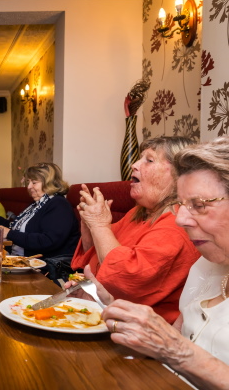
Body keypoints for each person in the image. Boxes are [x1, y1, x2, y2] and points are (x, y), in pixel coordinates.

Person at [71, 137, 229, 390]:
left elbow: (125, 276)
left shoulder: (187, 240)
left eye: (198, 205)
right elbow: (179, 336)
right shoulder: (204, 267)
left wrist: (174, 350)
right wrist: (108, 301)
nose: (181, 219)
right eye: (183, 204)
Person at [71, 136, 200, 324]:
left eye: (149, 160)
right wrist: (89, 227)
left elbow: (125, 279)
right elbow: (96, 261)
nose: (134, 165)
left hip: (146, 333)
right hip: (107, 313)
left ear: (179, 174)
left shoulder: (178, 223)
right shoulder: (138, 212)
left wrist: (99, 224)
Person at [0, 162, 80, 281]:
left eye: (34, 182)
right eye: (28, 182)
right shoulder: (37, 205)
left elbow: (48, 241)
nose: (29, 187)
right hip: (28, 262)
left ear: (49, 182)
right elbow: (15, 228)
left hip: (47, 269)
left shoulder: (59, 205)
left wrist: (9, 233)